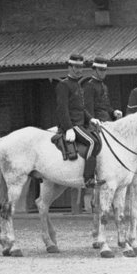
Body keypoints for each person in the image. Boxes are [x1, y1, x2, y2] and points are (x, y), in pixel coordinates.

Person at [54, 56, 100, 188]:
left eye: (81, 67)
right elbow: (62, 109)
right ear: (69, 67)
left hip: (81, 124)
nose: (79, 70)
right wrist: (68, 128)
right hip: (73, 125)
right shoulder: (63, 85)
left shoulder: (78, 85)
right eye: (76, 67)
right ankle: (88, 178)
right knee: (92, 142)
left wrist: (91, 118)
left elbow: (81, 108)